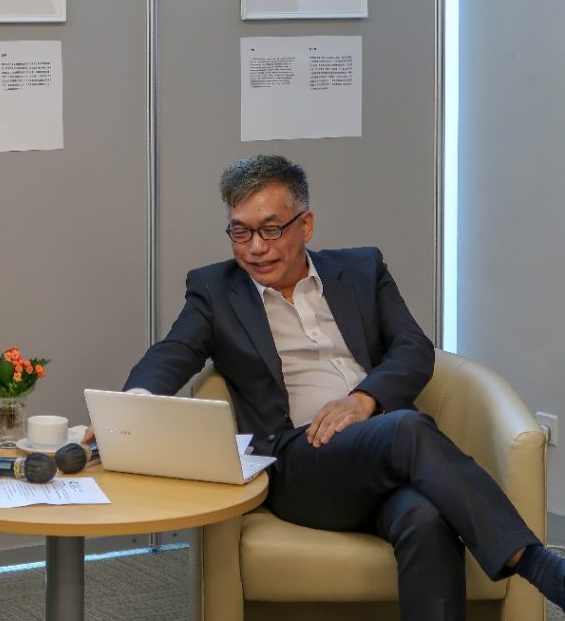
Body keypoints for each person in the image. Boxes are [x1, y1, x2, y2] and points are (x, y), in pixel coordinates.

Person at [101, 154, 565, 620]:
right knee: (407, 427)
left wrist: (364, 400)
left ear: (306, 225)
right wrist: (131, 409)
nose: (254, 248)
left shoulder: (362, 269)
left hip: (383, 453)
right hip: (301, 463)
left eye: (270, 229)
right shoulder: (215, 290)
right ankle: (540, 567)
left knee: (426, 519)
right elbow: (173, 352)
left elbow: (413, 348)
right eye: (240, 232)